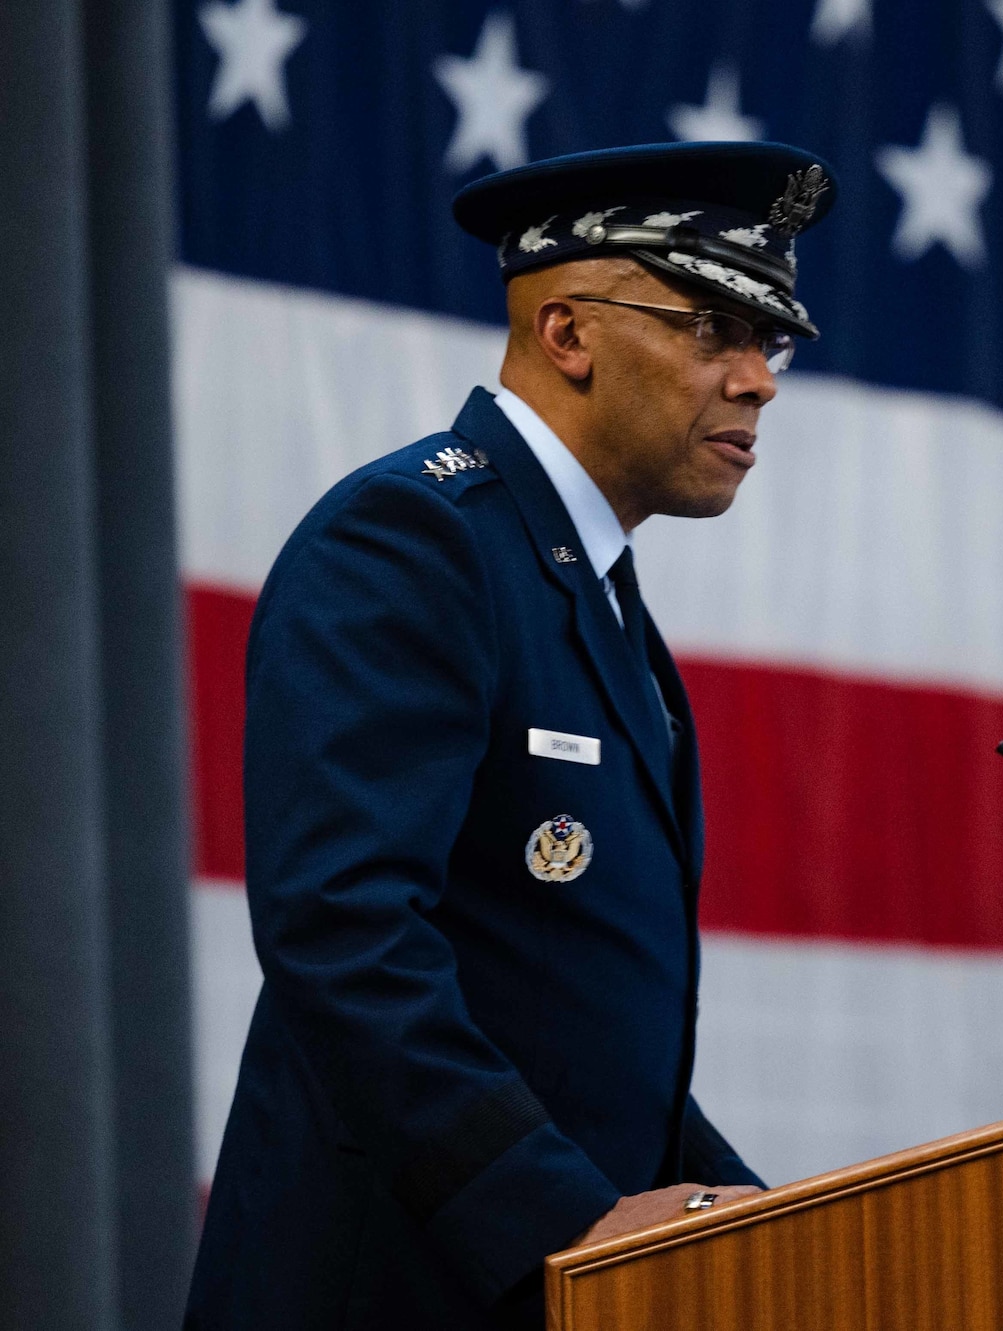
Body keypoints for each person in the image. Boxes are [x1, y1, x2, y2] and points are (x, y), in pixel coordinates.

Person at [184, 142, 837, 1330]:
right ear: (569, 334)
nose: (758, 380)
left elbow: (568, 1012)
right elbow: (345, 931)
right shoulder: (413, 537)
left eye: (769, 339)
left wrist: (761, 1223)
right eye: (710, 326)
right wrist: (564, 1222)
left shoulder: (582, 585)